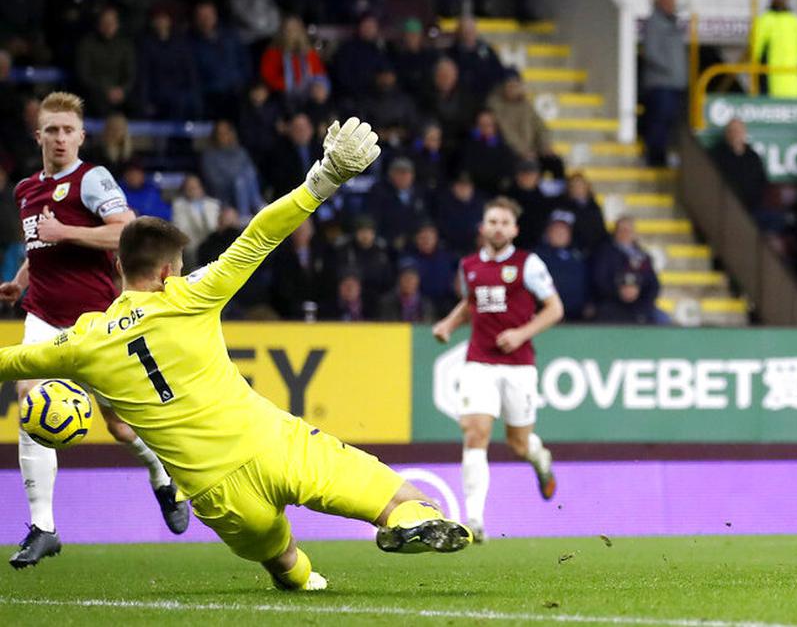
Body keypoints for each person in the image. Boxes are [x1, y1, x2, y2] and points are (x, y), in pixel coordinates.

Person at [0, 117, 472, 588]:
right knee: (394, 497)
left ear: (118, 264)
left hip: (216, 492)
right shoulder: (190, 294)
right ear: (168, 270)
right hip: (272, 445)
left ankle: (301, 576)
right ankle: (407, 519)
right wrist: (323, 178)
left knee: (281, 558)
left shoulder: (84, 341)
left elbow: (13, 361)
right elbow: (261, 233)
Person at [1, 92, 189, 569]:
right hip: (43, 315)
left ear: (82, 137)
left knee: (123, 427)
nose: (60, 138)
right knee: (32, 403)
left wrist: (68, 232)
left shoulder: (92, 179)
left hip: (96, 321)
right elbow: (39, 246)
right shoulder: (26, 190)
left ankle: (162, 476)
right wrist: (20, 282)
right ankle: (44, 527)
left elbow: (126, 231)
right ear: (38, 135)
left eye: (69, 130)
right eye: (52, 130)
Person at [431, 197, 563, 543]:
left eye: (505, 222)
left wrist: (521, 333)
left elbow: (554, 309)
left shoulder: (528, 264)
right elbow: (471, 304)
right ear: (483, 228)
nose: (498, 227)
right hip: (479, 362)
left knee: (518, 443)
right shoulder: (469, 266)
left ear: (515, 229)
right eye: (492, 221)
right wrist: (448, 323)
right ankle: (474, 520)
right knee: (475, 432)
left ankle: (539, 457)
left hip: (519, 366)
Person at [642, 0, 688, 167]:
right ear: (659, 2)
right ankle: (655, 158)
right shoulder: (654, 23)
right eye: (667, 0)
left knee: (671, 123)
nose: (671, 4)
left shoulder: (673, 23)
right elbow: (651, 52)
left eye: (673, 0)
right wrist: (670, 69)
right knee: (658, 122)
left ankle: (665, 156)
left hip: (675, 85)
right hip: (661, 85)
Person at [750, 0, 797, 99]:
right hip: (770, 81)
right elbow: (756, 50)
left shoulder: (795, 21)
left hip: (792, 81)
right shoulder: (765, 20)